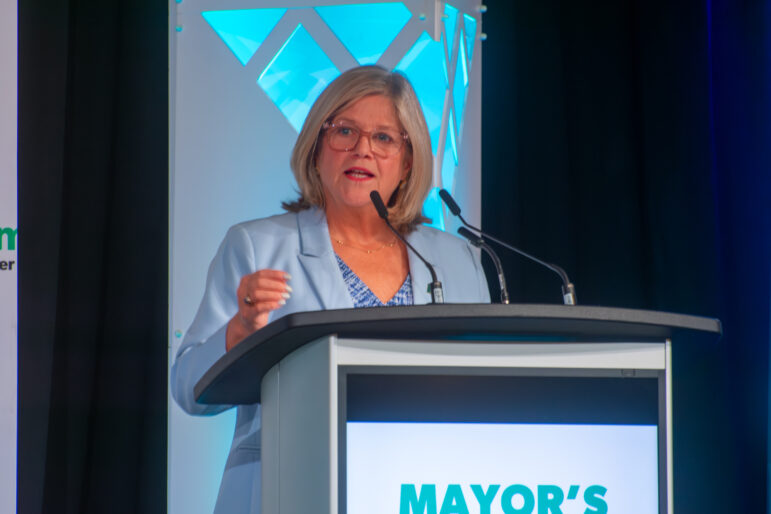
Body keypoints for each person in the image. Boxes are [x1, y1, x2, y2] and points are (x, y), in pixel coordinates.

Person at [171, 65, 490, 513]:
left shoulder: (457, 260)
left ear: (407, 162)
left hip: (421, 491)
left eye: (383, 138)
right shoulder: (257, 246)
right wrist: (239, 332)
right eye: (344, 131)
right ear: (317, 150)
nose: (363, 149)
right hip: (293, 489)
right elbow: (188, 390)